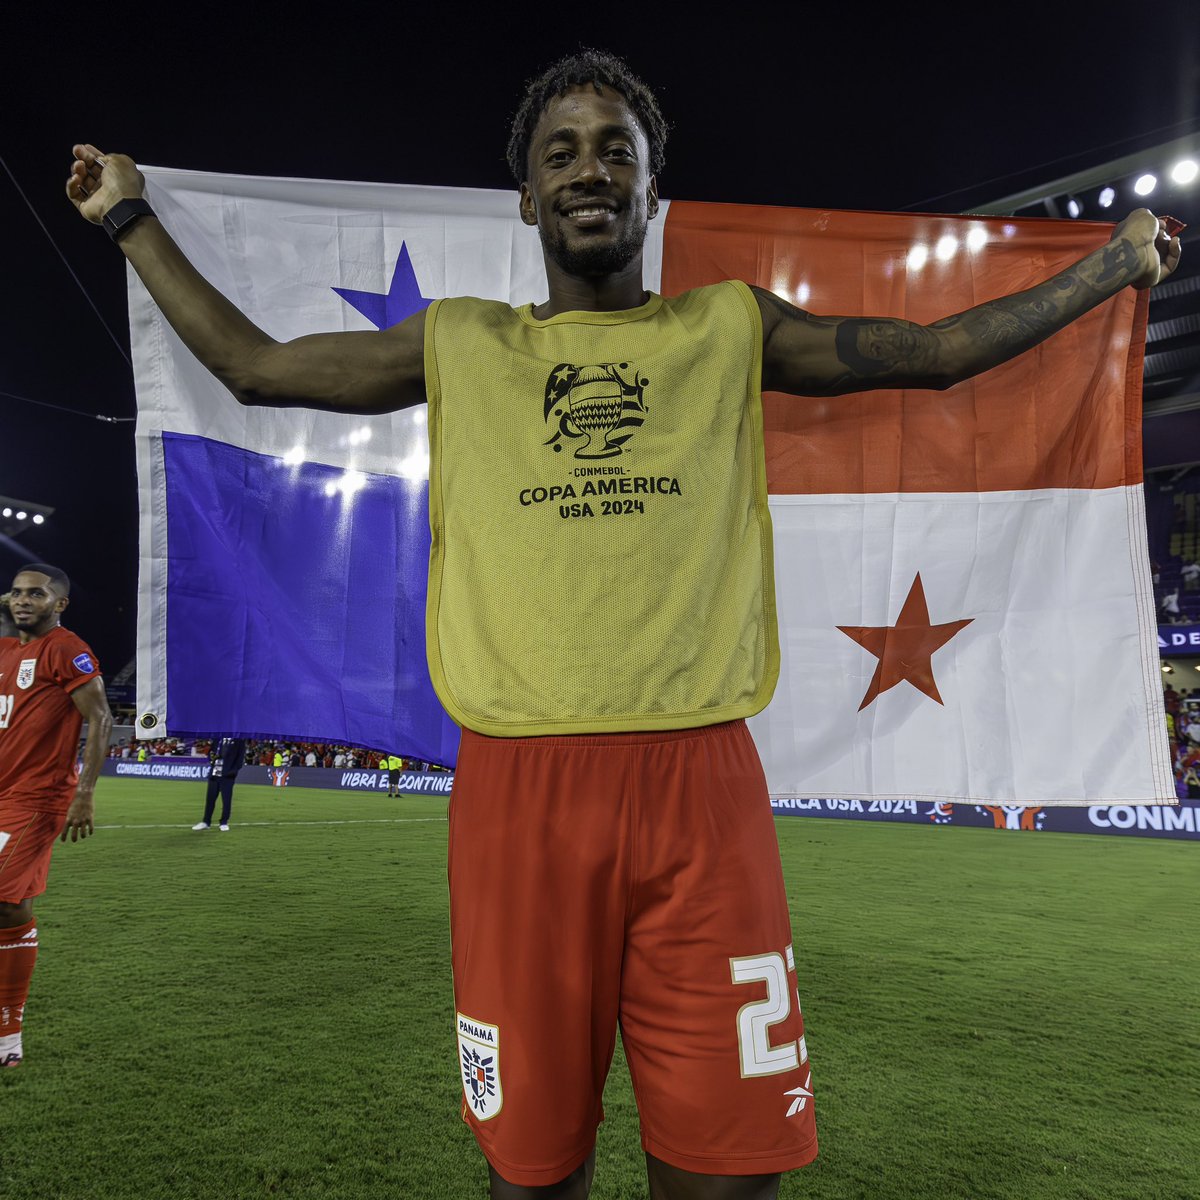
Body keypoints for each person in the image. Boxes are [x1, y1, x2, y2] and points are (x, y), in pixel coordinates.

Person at [67, 50, 1181, 1199]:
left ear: (652, 194)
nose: (589, 170)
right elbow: (252, 367)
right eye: (562, 154)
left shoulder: (728, 328)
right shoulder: (461, 342)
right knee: (533, 1171)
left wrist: (1110, 268)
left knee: (730, 1168)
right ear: (528, 197)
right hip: (519, 792)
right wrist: (129, 214)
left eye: (617, 153)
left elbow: (937, 356)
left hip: (702, 789)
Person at [0, 563, 113, 1068]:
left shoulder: (66, 649)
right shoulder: (5, 650)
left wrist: (84, 793)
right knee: (9, 905)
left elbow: (101, 717)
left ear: (59, 603)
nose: (23, 601)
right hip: (4, 794)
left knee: (4, 898)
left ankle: (8, 1035)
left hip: (38, 796)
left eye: (37, 594)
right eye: (18, 593)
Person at [193, 735, 247, 831]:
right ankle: (206, 822)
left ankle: (223, 822)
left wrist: (232, 772)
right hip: (214, 774)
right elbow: (211, 753)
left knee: (226, 800)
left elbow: (240, 759)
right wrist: (211, 757)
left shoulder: (239, 741)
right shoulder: (217, 739)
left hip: (227, 776)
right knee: (210, 800)